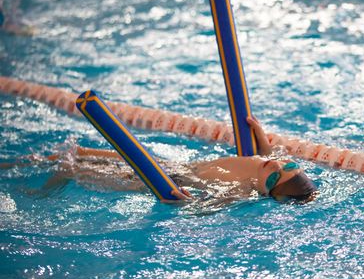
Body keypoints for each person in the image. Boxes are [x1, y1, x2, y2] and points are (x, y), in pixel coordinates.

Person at [6, 116, 319, 203]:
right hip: (173, 166)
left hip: (167, 179)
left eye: (278, 176)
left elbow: (203, 207)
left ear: (265, 192)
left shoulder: (242, 192)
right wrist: (261, 136)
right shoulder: (269, 164)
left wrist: (184, 202)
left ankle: (39, 193)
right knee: (78, 152)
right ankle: (12, 164)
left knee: (74, 170)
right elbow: (270, 157)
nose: (279, 166)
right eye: (289, 166)